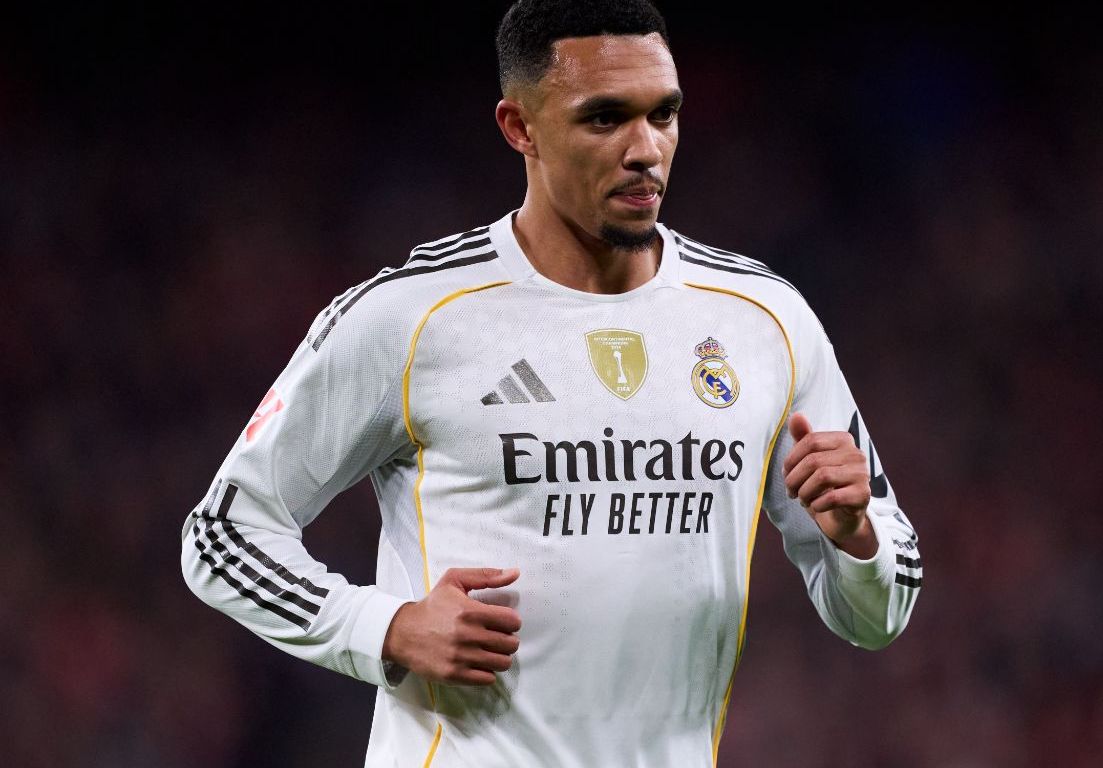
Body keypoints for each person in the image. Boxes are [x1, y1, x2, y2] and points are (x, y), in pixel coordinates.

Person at [180, 1, 922, 765]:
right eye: (605, 118)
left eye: (663, 114)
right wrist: (387, 629)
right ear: (520, 127)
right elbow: (221, 535)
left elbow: (880, 615)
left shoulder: (764, 320)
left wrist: (855, 537)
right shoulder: (410, 318)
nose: (646, 149)